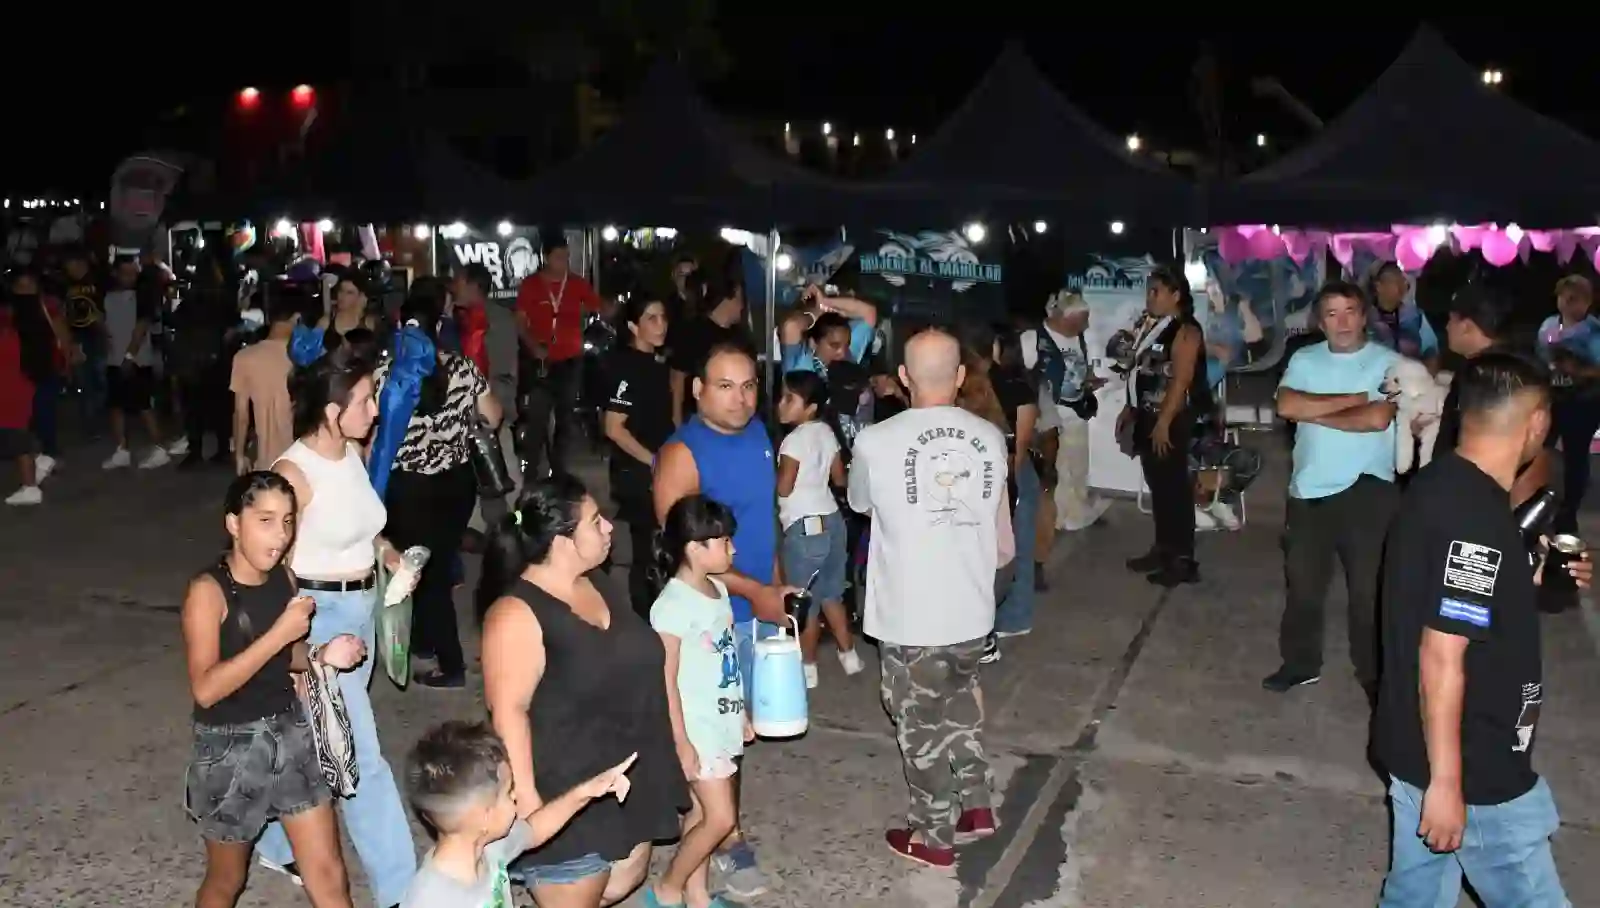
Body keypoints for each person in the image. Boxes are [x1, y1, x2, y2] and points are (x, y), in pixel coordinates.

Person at [1374, 352, 1591, 907]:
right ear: (1538, 423)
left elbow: (1449, 593)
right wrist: (1449, 786)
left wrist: (1527, 573)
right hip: (1475, 767)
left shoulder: (1440, 485)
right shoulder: (1477, 521)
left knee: (1416, 898)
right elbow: (1442, 653)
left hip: (1414, 748)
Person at [257, 342, 418, 908]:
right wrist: (299, 647)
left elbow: (358, 523)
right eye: (366, 399)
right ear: (332, 410)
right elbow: (266, 564)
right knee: (362, 757)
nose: (375, 409)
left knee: (326, 739)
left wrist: (389, 553)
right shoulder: (293, 474)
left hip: (363, 610)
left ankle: (276, 840)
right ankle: (403, 887)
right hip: (322, 620)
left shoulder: (348, 452)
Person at [477, 476, 686, 907]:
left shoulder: (598, 583)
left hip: (625, 776)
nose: (609, 527)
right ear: (561, 540)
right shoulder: (516, 614)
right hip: (564, 790)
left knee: (619, 883)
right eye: (596, 521)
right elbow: (508, 712)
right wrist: (530, 804)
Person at [848, 327, 1010, 868]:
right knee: (960, 709)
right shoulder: (989, 438)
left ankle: (933, 836)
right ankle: (978, 805)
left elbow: (861, 503)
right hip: (972, 608)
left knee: (918, 728)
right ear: (960, 376)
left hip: (911, 615)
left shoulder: (875, 440)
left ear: (903, 379)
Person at [182, 471, 367, 908]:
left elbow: (287, 655)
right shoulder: (207, 592)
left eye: (287, 521)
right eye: (265, 520)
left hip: (290, 732)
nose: (280, 534)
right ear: (233, 523)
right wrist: (281, 633)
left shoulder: (283, 576)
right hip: (229, 747)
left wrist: (321, 654)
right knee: (227, 880)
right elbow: (207, 689)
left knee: (327, 872)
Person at [653, 340, 796, 899]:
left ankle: (713, 836)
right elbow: (680, 549)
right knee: (709, 734)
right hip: (711, 619)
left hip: (757, 607)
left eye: (749, 386)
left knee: (734, 730)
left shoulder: (760, 435)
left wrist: (775, 591)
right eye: (724, 386)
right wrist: (755, 593)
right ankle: (724, 839)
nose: (740, 399)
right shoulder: (681, 454)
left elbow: (766, 520)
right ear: (697, 390)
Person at [1264, 281, 1399, 701]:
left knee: (1368, 593)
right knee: (1303, 587)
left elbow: (1377, 419)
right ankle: (1300, 664)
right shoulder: (1304, 358)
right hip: (1309, 491)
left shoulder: (1390, 362)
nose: (1342, 322)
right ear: (1320, 322)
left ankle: (1375, 673)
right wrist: (1355, 398)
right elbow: (1287, 407)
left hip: (1369, 492)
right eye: (1332, 314)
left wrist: (1316, 408)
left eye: (1350, 311)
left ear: (1364, 315)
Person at [378, 292, 502, 689]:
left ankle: (451, 664)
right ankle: (427, 642)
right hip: (456, 484)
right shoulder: (463, 368)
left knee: (420, 574)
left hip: (408, 488)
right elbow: (494, 416)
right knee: (438, 563)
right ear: (437, 328)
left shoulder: (386, 374)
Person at [645, 495, 755, 908]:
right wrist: (680, 740)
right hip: (696, 727)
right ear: (694, 547)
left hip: (721, 718)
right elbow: (665, 678)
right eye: (724, 541)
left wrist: (741, 710)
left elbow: (727, 659)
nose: (733, 549)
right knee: (721, 819)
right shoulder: (672, 605)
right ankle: (667, 888)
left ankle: (697, 896)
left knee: (699, 815)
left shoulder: (718, 591)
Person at [401, 722, 636, 908]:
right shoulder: (431, 898)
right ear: (484, 816)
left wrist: (586, 792)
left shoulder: (488, 847)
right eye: (507, 792)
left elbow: (534, 830)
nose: (515, 797)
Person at [1118, 266, 1209, 587]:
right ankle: (1163, 548)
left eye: (1156, 291)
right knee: (1160, 487)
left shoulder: (1186, 331)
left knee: (1174, 490)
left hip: (1172, 420)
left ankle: (1182, 559)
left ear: (1176, 295)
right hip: (1150, 415)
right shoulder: (1157, 327)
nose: (1150, 297)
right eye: (1149, 290)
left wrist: (1164, 423)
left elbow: (1181, 381)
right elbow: (1142, 372)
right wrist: (1132, 410)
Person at [775, 371, 862, 686]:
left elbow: (784, 489)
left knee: (804, 601)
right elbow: (839, 478)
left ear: (809, 407)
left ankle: (808, 668)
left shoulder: (793, 440)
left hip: (804, 527)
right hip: (832, 520)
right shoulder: (826, 431)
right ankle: (850, 656)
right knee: (832, 595)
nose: (780, 405)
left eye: (789, 399)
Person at [1435, 285, 1547, 508]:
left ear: (1466, 326)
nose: (1447, 327)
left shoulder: (1489, 375)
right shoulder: (1515, 364)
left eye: (1451, 319)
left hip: (1478, 497)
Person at [602, 291, 675, 618]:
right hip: (638, 471)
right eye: (651, 319)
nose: (661, 325)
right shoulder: (627, 367)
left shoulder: (655, 364)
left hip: (658, 467)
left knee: (658, 548)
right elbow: (614, 427)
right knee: (648, 552)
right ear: (633, 326)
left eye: (663, 317)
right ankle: (647, 621)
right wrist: (654, 462)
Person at [514, 234, 603, 479]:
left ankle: (560, 472)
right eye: (558, 257)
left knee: (565, 416)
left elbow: (597, 307)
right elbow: (520, 322)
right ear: (545, 257)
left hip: (570, 359)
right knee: (538, 417)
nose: (563, 262)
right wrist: (533, 346)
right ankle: (532, 471)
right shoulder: (531, 285)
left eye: (566, 257)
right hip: (541, 361)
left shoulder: (576, 283)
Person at [1022, 291, 1110, 533]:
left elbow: (1079, 369)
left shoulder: (1078, 337)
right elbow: (1021, 380)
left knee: (1078, 467)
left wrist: (1090, 381)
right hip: (1051, 418)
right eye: (1082, 319)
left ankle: (1077, 510)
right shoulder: (1032, 340)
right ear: (1063, 318)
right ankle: (1062, 518)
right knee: (1060, 470)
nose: (1086, 325)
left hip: (1077, 412)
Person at [1534, 275, 1600, 539]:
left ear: (1588, 302)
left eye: (1576, 298)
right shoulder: (1548, 326)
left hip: (1583, 401)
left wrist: (1580, 370)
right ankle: (1538, 505)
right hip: (1551, 398)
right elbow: (1540, 358)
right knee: (1540, 450)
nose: (1568, 303)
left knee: (1575, 457)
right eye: (1564, 296)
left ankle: (1568, 513)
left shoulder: (1594, 331)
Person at [101, 255, 172, 470]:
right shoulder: (109, 297)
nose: (130, 277)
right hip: (114, 358)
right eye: (126, 272)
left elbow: (141, 328)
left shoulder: (144, 296)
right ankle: (121, 450)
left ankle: (159, 448)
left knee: (143, 405)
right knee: (115, 406)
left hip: (138, 360)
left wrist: (130, 356)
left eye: (134, 272)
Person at [3, 271, 63, 505]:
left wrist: (65, 360)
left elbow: (60, 334)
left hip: (39, 371)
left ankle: (46, 458)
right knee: (26, 422)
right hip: (22, 373)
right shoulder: (10, 312)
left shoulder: (47, 306)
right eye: (22, 286)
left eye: (30, 286)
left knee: (36, 418)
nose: (26, 291)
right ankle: (42, 460)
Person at [666, 272, 752, 426]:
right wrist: (677, 420)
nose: (742, 306)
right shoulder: (693, 332)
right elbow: (677, 378)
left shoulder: (739, 337)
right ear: (727, 299)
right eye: (739, 299)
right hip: (700, 420)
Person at [231, 290, 300, 473]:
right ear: (297, 318)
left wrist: (239, 455)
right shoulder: (304, 356)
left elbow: (241, 414)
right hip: (302, 459)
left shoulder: (244, 357)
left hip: (265, 463)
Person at [1367, 261, 1441, 369]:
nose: (1403, 286)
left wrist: (1424, 376)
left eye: (1403, 281)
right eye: (1396, 282)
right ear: (1378, 286)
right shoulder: (1365, 318)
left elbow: (1432, 351)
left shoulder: (1415, 315)